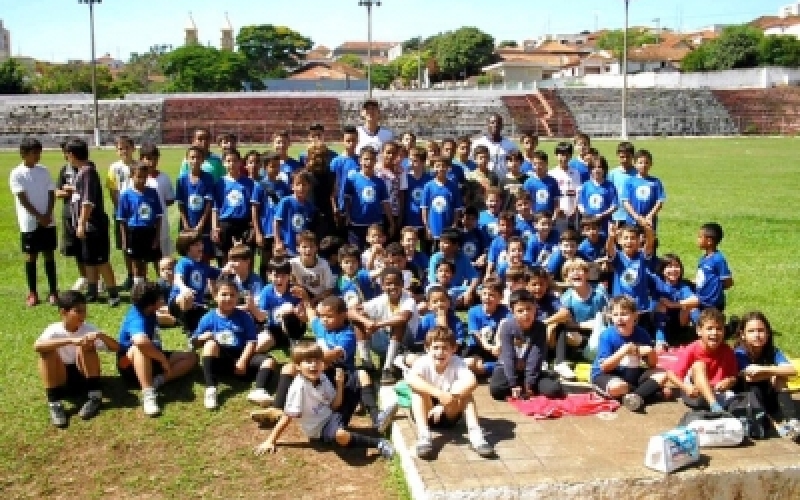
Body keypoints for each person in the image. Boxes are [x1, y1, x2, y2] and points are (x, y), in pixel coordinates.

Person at [253, 340, 395, 459]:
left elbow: (334, 405)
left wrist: (339, 385)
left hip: (333, 414)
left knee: (361, 374)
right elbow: (287, 417)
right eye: (308, 362)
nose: (314, 365)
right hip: (321, 428)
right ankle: (378, 443)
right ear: (297, 366)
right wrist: (270, 440)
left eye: (317, 361)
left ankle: (378, 419)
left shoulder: (322, 377)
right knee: (340, 435)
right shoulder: (298, 388)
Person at [406, 326, 495, 459]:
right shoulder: (422, 362)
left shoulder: (457, 363)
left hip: (449, 412)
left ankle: (476, 435)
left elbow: (472, 381)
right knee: (417, 390)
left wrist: (445, 402)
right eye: (435, 347)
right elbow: (411, 379)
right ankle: (424, 436)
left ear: (453, 349)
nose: (440, 352)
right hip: (426, 411)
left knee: (467, 393)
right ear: (427, 348)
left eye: (445, 348)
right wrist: (439, 394)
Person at [34, 291, 119, 427]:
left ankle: (95, 396)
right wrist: (71, 340)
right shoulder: (54, 330)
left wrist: (100, 335)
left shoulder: (88, 329)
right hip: (61, 378)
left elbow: (116, 347)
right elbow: (37, 346)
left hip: (83, 375)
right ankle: (54, 403)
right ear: (64, 313)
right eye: (78, 311)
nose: (83, 315)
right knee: (47, 353)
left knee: (87, 346)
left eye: (84, 311)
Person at [192, 276, 275, 410]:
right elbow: (193, 343)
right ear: (215, 296)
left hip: (242, 355)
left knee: (269, 361)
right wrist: (201, 339)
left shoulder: (244, 317)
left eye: (232, 295)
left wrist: (242, 360)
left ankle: (259, 390)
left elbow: (251, 341)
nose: (228, 298)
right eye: (224, 294)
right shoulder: (208, 318)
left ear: (237, 298)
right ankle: (211, 389)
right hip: (221, 358)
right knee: (210, 345)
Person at [117, 283, 198, 416]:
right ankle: (148, 394)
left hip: (151, 356)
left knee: (192, 357)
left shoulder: (149, 311)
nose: (163, 299)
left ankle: (157, 381)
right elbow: (140, 341)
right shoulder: (136, 318)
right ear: (151, 304)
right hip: (126, 363)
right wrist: (162, 359)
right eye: (160, 297)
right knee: (139, 348)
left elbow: (164, 316)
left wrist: (179, 319)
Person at [66, 138, 120, 306]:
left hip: (94, 226)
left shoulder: (87, 172)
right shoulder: (83, 172)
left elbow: (88, 202)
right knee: (88, 259)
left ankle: (113, 293)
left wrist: (81, 223)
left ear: (72, 155)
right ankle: (92, 291)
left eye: (67, 155)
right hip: (87, 227)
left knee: (101, 260)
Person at [590, 295, 667, 412]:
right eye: (616, 315)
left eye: (624, 314)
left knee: (663, 374)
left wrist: (651, 352)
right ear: (611, 316)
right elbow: (604, 367)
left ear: (635, 315)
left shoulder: (642, 334)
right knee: (619, 387)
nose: (619, 318)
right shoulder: (607, 335)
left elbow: (652, 365)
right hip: (607, 375)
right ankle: (644, 393)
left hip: (632, 375)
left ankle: (634, 396)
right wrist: (623, 351)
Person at [734, 311, 800, 440]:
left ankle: (793, 421)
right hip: (749, 400)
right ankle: (773, 425)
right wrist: (774, 371)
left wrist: (764, 369)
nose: (757, 335)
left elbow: (792, 370)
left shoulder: (773, 351)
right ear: (742, 334)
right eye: (751, 331)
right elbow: (749, 377)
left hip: (770, 398)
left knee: (779, 378)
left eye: (761, 330)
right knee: (756, 385)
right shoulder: (739, 353)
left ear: (768, 333)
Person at [489, 289, 564, 400]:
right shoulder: (507, 327)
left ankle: (527, 385)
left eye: (529, 309)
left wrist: (529, 383)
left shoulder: (540, 327)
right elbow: (508, 356)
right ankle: (519, 385)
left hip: (531, 369)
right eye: (520, 311)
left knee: (554, 390)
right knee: (496, 390)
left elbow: (535, 356)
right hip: (508, 368)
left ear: (535, 308)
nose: (526, 314)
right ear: (512, 312)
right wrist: (513, 384)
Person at [10, 137, 59, 306]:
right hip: (30, 222)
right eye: (34, 153)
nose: (38, 155)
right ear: (24, 154)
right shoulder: (16, 173)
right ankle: (32, 292)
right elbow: (22, 199)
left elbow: (51, 192)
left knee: (49, 253)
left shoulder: (43, 170)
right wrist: (39, 217)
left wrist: (48, 213)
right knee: (31, 256)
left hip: (47, 219)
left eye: (39, 152)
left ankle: (53, 291)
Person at [349, 267, 419, 384]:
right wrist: (366, 322)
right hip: (384, 341)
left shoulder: (408, 300)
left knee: (399, 324)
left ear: (402, 284)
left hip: (404, 344)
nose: (392, 287)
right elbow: (350, 312)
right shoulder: (380, 300)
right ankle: (367, 363)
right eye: (388, 284)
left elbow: (403, 318)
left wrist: (377, 324)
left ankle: (388, 368)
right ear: (382, 286)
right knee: (358, 320)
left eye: (396, 283)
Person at [665, 308, 738, 412]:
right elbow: (671, 374)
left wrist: (729, 381)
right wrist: (685, 387)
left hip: (716, 392)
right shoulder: (692, 348)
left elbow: (733, 376)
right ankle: (714, 406)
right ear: (699, 331)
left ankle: (716, 407)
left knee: (735, 400)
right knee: (699, 365)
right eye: (709, 328)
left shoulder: (727, 350)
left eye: (719, 329)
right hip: (694, 392)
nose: (715, 332)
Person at [168, 231, 227, 337]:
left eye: (201, 243)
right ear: (186, 248)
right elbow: (177, 279)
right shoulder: (184, 262)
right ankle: (186, 326)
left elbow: (221, 273)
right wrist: (184, 289)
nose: (201, 246)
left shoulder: (203, 266)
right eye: (196, 245)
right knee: (188, 297)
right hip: (178, 303)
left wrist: (229, 267)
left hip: (197, 306)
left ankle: (188, 325)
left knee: (210, 322)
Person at [116, 163, 163, 292]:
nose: (142, 180)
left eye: (144, 177)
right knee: (137, 264)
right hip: (134, 232)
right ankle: (139, 290)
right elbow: (122, 220)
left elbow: (159, 216)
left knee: (157, 262)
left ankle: (163, 288)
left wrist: (157, 237)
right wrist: (125, 240)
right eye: (138, 177)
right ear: (132, 176)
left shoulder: (152, 193)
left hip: (150, 232)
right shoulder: (126, 195)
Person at [253, 256, 308, 353]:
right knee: (259, 347)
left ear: (289, 276)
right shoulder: (267, 291)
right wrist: (252, 307)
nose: (279, 279)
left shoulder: (295, 291)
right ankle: (280, 340)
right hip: (274, 328)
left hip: (294, 326)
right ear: (269, 275)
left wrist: (296, 311)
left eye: (283, 276)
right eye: (276, 276)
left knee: (288, 308)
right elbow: (262, 317)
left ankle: (293, 341)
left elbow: (305, 318)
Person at [559, 258, 609, 362]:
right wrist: (585, 324)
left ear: (587, 275)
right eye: (571, 271)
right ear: (566, 278)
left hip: (600, 330)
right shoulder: (566, 298)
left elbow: (608, 314)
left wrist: (599, 323)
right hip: (580, 333)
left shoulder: (599, 292)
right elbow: (568, 323)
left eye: (580, 270)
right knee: (569, 336)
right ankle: (585, 351)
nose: (576, 273)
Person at [343, 146, 393, 249]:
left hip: (375, 224)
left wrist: (391, 222)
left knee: (375, 252)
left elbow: (385, 203)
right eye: (366, 159)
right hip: (357, 223)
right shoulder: (352, 179)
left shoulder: (379, 181)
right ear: (360, 160)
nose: (368, 162)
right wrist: (347, 215)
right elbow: (347, 199)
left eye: (372, 159)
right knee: (356, 252)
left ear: (375, 161)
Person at [212, 149, 255, 265]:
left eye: (235, 161)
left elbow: (253, 207)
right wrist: (215, 227)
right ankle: (225, 281)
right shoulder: (220, 183)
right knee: (225, 256)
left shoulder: (249, 183)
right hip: (226, 223)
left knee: (245, 256)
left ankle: (246, 281)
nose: (232, 164)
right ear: (223, 163)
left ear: (240, 163)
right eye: (228, 161)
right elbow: (215, 208)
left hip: (243, 223)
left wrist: (253, 226)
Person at [251, 151, 291, 277]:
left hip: (281, 231)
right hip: (266, 230)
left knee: (282, 262)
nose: (275, 169)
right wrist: (258, 232)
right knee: (265, 263)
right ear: (264, 167)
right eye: (272, 166)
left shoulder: (284, 186)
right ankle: (264, 287)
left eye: (278, 166)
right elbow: (254, 210)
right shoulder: (259, 186)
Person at [55, 141, 86, 291]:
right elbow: (57, 192)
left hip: (84, 214)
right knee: (75, 249)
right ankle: (83, 277)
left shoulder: (87, 167)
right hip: (69, 214)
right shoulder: (64, 170)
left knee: (88, 248)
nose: (66, 156)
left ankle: (96, 279)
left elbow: (88, 190)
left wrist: (74, 189)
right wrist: (69, 192)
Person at [176, 145, 216, 262]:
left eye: (198, 157)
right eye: (192, 157)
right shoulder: (182, 180)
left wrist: (201, 224)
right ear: (187, 159)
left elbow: (209, 203)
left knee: (203, 255)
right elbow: (181, 204)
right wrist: (185, 224)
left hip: (203, 225)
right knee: (187, 255)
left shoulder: (208, 178)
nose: (195, 160)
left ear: (202, 160)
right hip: (187, 224)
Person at [106, 136, 136, 290]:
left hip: (136, 213)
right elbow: (113, 190)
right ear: (117, 151)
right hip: (121, 213)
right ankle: (130, 275)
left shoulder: (138, 166)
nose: (123, 151)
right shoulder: (114, 168)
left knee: (137, 245)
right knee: (125, 245)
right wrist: (120, 209)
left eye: (126, 147)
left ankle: (139, 276)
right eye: (120, 148)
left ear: (133, 148)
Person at [463, 278, 509, 376]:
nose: (487, 297)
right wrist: (488, 347)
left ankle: (495, 367)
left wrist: (497, 345)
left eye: (492, 295)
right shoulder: (473, 311)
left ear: (500, 298)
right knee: (469, 363)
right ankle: (495, 368)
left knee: (504, 323)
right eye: (484, 294)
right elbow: (476, 334)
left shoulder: (505, 311)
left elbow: (505, 326)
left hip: (498, 348)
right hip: (477, 348)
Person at [426, 228, 480, 309]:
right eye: (441, 242)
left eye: (445, 242)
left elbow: (475, 278)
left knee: (479, 290)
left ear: (456, 245)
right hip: (439, 290)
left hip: (457, 290)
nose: (441, 245)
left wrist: (468, 292)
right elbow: (433, 282)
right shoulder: (436, 258)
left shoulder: (463, 258)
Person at [139, 144, 176, 258]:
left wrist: (158, 207)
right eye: (149, 159)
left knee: (162, 255)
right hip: (142, 223)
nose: (152, 162)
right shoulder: (137, 178)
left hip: (161, 222)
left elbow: (170, 200)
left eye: (155, 159)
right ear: (141, 159)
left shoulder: (164, 178)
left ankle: (164, 276)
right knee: (142, 255)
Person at [421, 157, 463, 250]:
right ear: (433, 168)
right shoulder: (428, 186)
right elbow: (425, 209)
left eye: (443, 166)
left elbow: (457, 209)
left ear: (448, 168)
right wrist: (427, 227)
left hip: (448, 230)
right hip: (433, 229)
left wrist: (455, 225)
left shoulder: (453, 186)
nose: (440, 169)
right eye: (438, 166)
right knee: (433, 255)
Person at [694, 222, 734, 317]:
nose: (697, 240)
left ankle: (730, 327)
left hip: (713, 303)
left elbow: (728, 282)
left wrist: (715, 289)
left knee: (712, 322)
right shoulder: (703, 258)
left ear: (709, 241)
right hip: (702, 300)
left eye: (700, 237)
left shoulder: (718, 259)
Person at [273, 171, 315, 257]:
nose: (301, 187)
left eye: (304, 184)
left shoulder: (310, 206)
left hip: (303, 249)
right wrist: (278, 241)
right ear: (292, 186)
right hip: (287, 247)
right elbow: (276, 222)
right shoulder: (286, 201)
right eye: (298, 184)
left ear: (309, 186)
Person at [622, 149, 666, 231]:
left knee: (649, 243)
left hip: (649, 221)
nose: (643, 165)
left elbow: (659, 202)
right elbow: (625, 202)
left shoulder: (655, 182)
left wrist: (649, 216)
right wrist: (636, 217)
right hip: (632, 221)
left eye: (646, 162)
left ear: (651, 164)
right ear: (635, 164)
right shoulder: (629, 181)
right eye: (640, 163)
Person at [289, 230, 335, 306]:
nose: (308, 250)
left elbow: (329, 289)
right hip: (302, 297)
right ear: (297, 248)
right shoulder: (292, 264)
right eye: (304, 247)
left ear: (316, 248)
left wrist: (313, 301)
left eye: (311, 246)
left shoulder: (323, 264)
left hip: (320, 297)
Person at [470, 113, 516, 178]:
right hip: (484, 182)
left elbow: (516, 163)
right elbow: (472, 162)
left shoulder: (510, 145)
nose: (495, 125)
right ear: (487, 125)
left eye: (498, 123)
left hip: (505, 182)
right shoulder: (477, 143)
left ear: (502, 126)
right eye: (492, 122)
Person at [550, 142, 582, 233]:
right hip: (559, 213)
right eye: (561, 155)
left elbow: (578, 192)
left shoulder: (575, 173)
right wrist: (557, 210)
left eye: (566, 155)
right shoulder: (552, 173)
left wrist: (575, 209)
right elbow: (553, 196)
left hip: (573, 213)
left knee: (573, 236)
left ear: (570, 156)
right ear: (556, 156)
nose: (564, 158)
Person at [578, 156, 617, 230]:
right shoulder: (586, 185)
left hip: (605, 223)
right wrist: (586, 214)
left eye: (599, 167)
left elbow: (614, 206)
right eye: (593, 168)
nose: (596, 170)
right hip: (589, 224)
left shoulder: (610, 186)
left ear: (604, 169)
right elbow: (580, 203)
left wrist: (602, 215)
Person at [606, 141, 636, 227]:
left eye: (628, 157)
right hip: (616, 215)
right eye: (622, 157)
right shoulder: (612, 174)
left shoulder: (637, 174)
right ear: (617, 156)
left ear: (633, 157)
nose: (625, 160)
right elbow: (609, 193)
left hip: (633, 214)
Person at [522, 151, 560, 216]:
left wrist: (554, 216)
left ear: (546, 163)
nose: (537, 166)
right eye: (535, 164)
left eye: (540, 163)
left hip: (549, 218)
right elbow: (525, 202)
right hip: (534, 218)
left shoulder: (553, 181)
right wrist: (530, 215)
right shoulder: (528, 182)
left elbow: (556, 202)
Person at [463, 145, 499, 212]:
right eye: (481, 158)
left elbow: (496, 195)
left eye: (486, 157)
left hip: (489, 210)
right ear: (475, 159)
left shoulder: (493, 176)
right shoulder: (470, 176)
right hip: (474, 210)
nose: (484, 160)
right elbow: (467, 197)